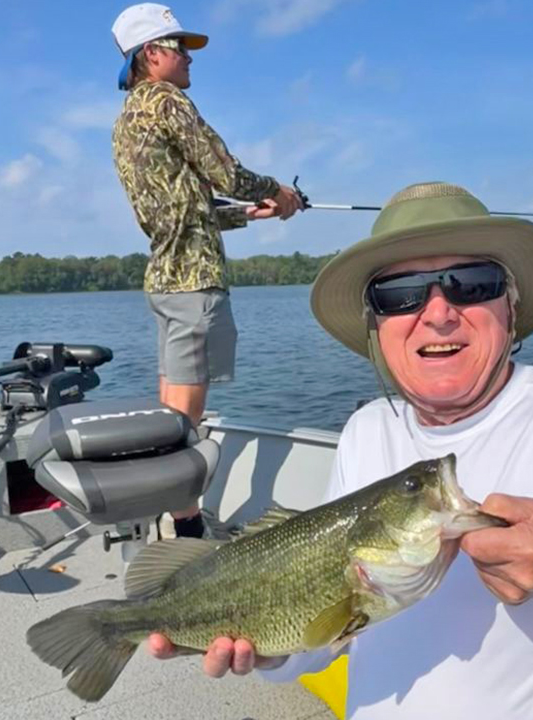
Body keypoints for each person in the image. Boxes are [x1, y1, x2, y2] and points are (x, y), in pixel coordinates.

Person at [149, 182, 533, 718]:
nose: (439, 311)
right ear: (376, 326)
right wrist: (272, 653)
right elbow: (335, 629)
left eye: (471, 283)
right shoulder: (369, 429)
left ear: (510, 305)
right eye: (400, 295)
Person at [111, 3, 303, 538]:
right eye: (180, 48)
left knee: (170, 411)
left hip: (166, 282)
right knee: (185, 421)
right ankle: (188, 527)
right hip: (195, 284)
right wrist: (278, 193)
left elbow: (183, 208)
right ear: (152, 55)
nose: (190, 60)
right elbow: (228, 171)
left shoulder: (127, 120)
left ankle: (169, 512)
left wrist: (249, 213)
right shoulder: (169, 103)